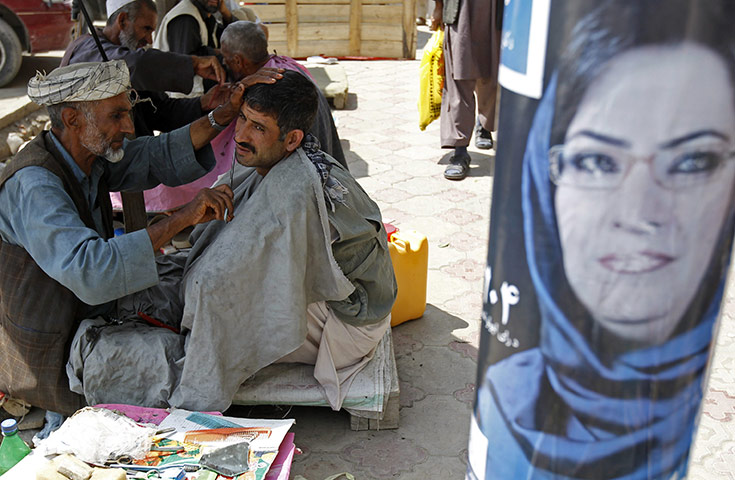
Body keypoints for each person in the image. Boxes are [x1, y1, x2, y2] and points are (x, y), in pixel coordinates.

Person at [476, 1, 735, 479]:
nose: (640, 215)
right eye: (597, 162)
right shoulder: (505, 398)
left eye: (693, 162)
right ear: (543, 187)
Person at [67, 71, 398, 413]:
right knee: (171, 286)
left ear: (292, 139)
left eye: (258, 127)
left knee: (209, 322)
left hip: (348, 322)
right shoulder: (275, 158)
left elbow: (214, 283)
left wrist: (198, 331)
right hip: (331, 297)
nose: (240, 135)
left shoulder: (294, 190)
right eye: (242, 118)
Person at [0, 60, 255, 416]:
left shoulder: (88, 154)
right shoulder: (35, 186)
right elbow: (92, 271)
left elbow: (155, 154)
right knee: (181, 363)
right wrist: (182, 216)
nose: (129, 126)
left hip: (88, 312)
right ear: (73, 120)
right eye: (117, 116)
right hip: (50, 347)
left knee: (190, 283)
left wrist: (221, 116)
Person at [140, 20, 346, 213]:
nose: (239, 135)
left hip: (301, 180)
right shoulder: (289, 67)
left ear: (237, 60)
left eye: (226, 59)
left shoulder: (264, 88)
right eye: (242, 119)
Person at [62, 0, 227, 137]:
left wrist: (203, 103)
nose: (148, 39)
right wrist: (193, 63)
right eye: (146, 29)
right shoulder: (86, 49)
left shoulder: (128, 56)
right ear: (122, 20)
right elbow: (133, 65)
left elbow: (160, 110)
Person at [431, 0, 501, 180]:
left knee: (493, 78)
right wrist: (438, 7)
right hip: (460, 11)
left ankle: (484, 124)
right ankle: (460, 151)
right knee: (459, 78)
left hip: (497, 11)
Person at [154, 0, 236, 96]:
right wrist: (219, 53)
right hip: (178, 101)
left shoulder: (206, 17)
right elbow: (186, 62)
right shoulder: (186, 18)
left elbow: (238, 37)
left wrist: (225, 12)